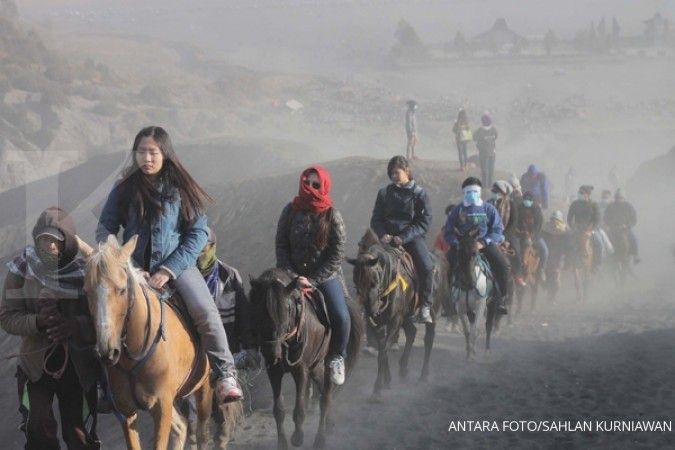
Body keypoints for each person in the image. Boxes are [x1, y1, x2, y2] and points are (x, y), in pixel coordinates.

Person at [96, 126, 242, 403]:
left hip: (178, 266)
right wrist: (121, 259)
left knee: (204, 311)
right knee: (101, 311)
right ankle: (105, 386)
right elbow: (105, 227)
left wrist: (168, 269)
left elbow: (198, 232)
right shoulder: (125, 188)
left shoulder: (180, 188)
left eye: (153, 152)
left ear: (165, 154)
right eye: (141, 152)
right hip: (133, 267)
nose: (146, 159)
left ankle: (225, 374)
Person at [0, 207, 100, 450]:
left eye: (56, 240)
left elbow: (105, 319)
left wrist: (75, 325)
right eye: (43, 240)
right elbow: (6, 316)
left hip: (77, 368)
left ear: (67, 240)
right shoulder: (22, 268)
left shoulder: (88, 271)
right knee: (38, 432)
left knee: (78, 436)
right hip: (35, 367)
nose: (49, 247)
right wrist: (37, 322)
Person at [276, 165, 351, 385]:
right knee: (268, 306)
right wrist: (292, 275)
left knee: (341, 316)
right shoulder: (289, 211)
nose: (310, 187)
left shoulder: (332, 215)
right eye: (307, 183)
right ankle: (261, 353)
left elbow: (337, 254)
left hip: (324, 277)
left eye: (316, 184)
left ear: (324, 186)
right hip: (292, 274)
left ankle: (338, 356)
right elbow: (281, 246)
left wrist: (314, 280)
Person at [371, 155, 434, 323]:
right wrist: (382, 234)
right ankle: (367, 303)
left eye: (396, 172)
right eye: (391, 173)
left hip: (412, 240)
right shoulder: (384, 193)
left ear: (407, 171)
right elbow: (376, 219)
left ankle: (425, 306)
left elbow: (424, 222)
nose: (393, 176)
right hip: (386, 240)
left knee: (427, 267)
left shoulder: (420, 194)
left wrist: (403, 237)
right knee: (366, 265)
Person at [444, 177, 510, 314]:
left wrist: (484, 242)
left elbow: (498, 230)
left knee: (503, 265)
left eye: (475, 191)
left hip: (484, 245)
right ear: (464, 192)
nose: (471, 194)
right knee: (445, 266)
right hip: (462, 247)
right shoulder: (458, 210)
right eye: (469, 191)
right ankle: (448, 302)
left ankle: (501, 299)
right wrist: (457, 243)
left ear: (479, 192)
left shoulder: (489, 209)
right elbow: (448, 231)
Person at [197, 227, 258, 365]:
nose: (199, 255)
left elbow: (243, 315)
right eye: (196, 250)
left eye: (203, 250)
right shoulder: (186, 280)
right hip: (196, 353)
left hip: (228, 351)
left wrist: (249, 347)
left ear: (213, 247)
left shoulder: (229, 276)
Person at [489, 180, 525, 287]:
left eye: (496, 191)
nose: (494, 193)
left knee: (517, 253)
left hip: (507, 234)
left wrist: (504, 235)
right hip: (490, 235)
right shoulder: (488, 204)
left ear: (503, 193)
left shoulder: (511, 205)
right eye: (493, 191)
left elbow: (513, 222)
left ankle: (518, 275)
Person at [512, 191, 549, 281]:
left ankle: (541, 270)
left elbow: (539, 225)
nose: (527, 201)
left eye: (529, 199)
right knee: (511, 249)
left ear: (532, 200)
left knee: (545, 251)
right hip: (520, 234)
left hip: (535, 235)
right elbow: (515, 222)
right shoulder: (519, 208)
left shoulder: (537, 209)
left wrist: (532, 234)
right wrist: (519, 232)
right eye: (525, 199)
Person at [567, 185, 603, 268]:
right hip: (577, 229)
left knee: (599, 243)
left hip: (590, 230)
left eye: (582, 193)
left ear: (588, 194)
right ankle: (567, 262)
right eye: (579, 192)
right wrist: (573, 227)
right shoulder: (575, 204)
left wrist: (591, 229)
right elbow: (569, 218)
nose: (579, 194)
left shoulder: (594, 205)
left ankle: (597, 265)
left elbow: (597, 219)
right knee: (567, 242)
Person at [604, 189, 640, 264]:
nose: (619, 199)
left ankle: (636, 255)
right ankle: (603, 256)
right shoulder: (610, 206)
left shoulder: (629, 206)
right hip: (613, 229)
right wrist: (610, 225)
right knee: (605, 239)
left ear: (624, 198)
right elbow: (606, 217)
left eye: (620, 198)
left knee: (634, 239)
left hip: (625, 229)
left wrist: (627, 225)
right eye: (617, 198)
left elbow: (634, 219)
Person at [541, 210, 571, 299]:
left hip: (558, 256)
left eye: (556, 220)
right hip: (550, 256)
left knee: (555, 279)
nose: (555, 222)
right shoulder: (546, 228)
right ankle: (549, 295)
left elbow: (567, 246)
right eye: (553, 220)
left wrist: (567, 259)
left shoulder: (565, 230)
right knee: (549, 277)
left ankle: (552, 297)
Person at [473, 112, 498, 188]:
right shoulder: (494, 130)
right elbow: (496, 137)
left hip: (483, 153)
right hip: (492, 153)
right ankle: (490, 186)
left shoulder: (480, 130)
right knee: (491, 171)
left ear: (482, 122)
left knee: (484, 171)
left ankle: (485, 186)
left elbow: (474, 138)